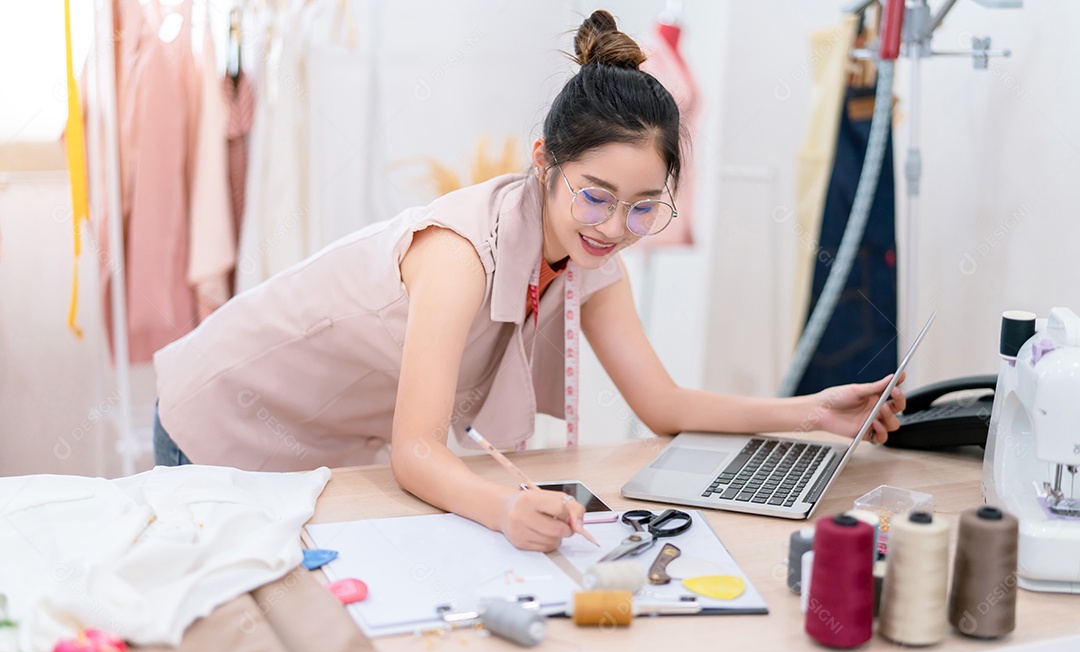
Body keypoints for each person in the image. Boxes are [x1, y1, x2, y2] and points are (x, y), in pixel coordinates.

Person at [153, 10, 906, 552]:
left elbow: (662, 403)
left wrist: (810, 412)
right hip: (223, 418)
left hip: (326, 445)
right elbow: (416, 450)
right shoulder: (457, 255)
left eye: (644, 208)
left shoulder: (588, 253)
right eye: (595, 195)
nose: (612, 227)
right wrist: (503, 507)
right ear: (545, 160)